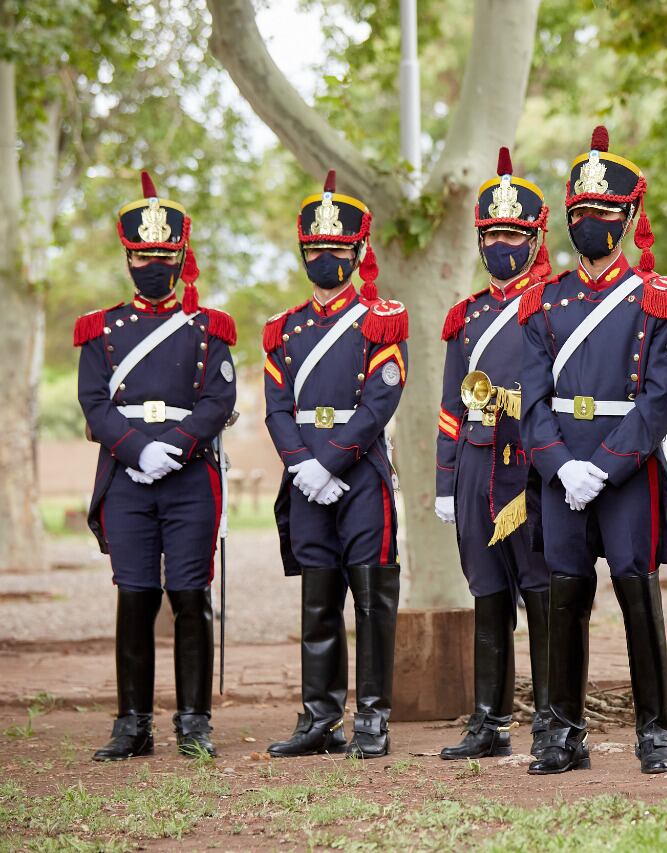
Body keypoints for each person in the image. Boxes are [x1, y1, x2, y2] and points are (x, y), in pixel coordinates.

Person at [519, 125, 667, 775]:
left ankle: (655, 728)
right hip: (561, 468)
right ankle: (562, 730)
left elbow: (662, 395)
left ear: (628, 218)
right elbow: (530, 398)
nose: (592, 222)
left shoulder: (659, 297)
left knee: (635, 590)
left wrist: (606, 465)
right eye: (582, 212)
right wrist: (562, 465)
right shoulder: (544, 299)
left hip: (627, 470)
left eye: (605, 212)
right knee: (565, 596)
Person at [76, 171, 237, 760]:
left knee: (191, 596)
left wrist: (176, 444)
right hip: (126, 477)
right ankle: (132, 723)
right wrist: (136, 450)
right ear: (128, 258)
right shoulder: (101, 330)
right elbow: (93, 400)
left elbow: (221, 399)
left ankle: (194, 722)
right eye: (142, 255)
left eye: (163, 255)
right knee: (135, 596)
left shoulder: (207, 328)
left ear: (180, 257)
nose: (152, 265)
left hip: (189, 474)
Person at [263, 170, 408, 760]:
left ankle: (372, 717)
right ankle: (320, 717)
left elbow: (380, 400)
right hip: (306, 481)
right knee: (319, 600)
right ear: (304, 253)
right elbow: (275, 407)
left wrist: (328, 464)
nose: (326, 257)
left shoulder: (380, 319)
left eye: (337, 249)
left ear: (357, 252)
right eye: (316, 249)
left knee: (372, 600)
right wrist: (302, 466)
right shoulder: (284, 328)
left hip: (360, 475)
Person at [434, 148, 552, 759]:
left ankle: (552, 723)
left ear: (536, 238)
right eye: (493, 234)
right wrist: (444, 476)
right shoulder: (468, 314)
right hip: (477, 457)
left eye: (513, 233)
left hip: (532, 462)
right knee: (486, 594)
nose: (502, 244)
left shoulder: (553, 303)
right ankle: (489, 722)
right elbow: (451, 405)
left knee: (541, 591)